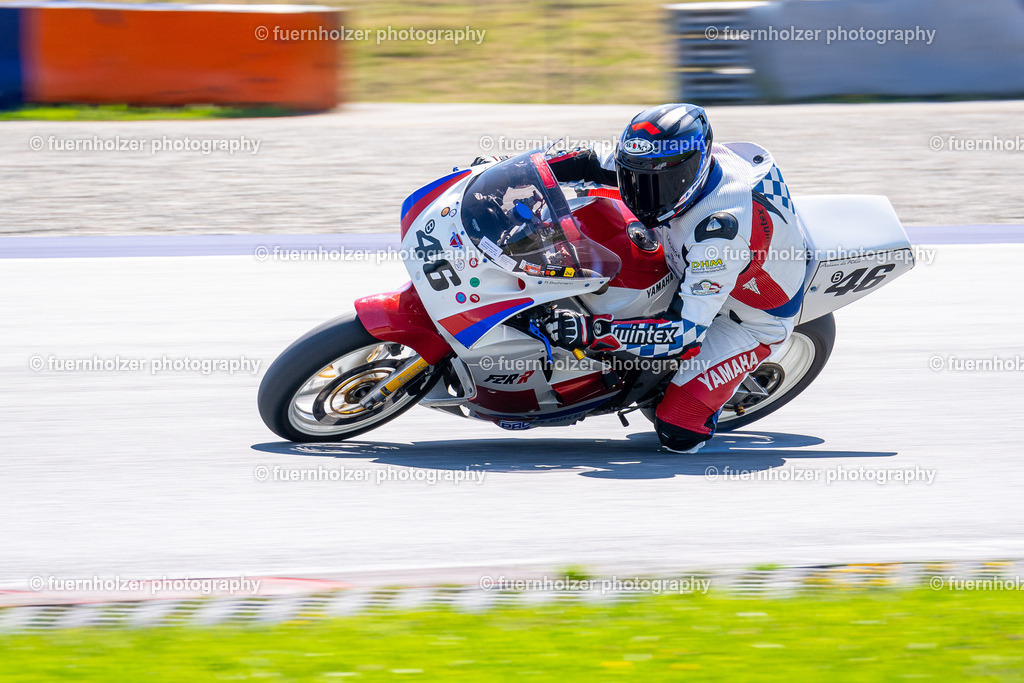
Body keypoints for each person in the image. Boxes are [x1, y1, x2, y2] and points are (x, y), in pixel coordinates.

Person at [544, 103, 807, 453]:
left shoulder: (719, 232)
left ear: (694, 170)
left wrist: (594, 332)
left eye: (659, 181)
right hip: (684, 256)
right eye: (633, 175)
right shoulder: (655, 162)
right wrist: (503, 173)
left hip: (744, 315)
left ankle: (685, 393)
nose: (642, 192)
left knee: (677, 432)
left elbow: (682, 333)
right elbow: (588, 162)